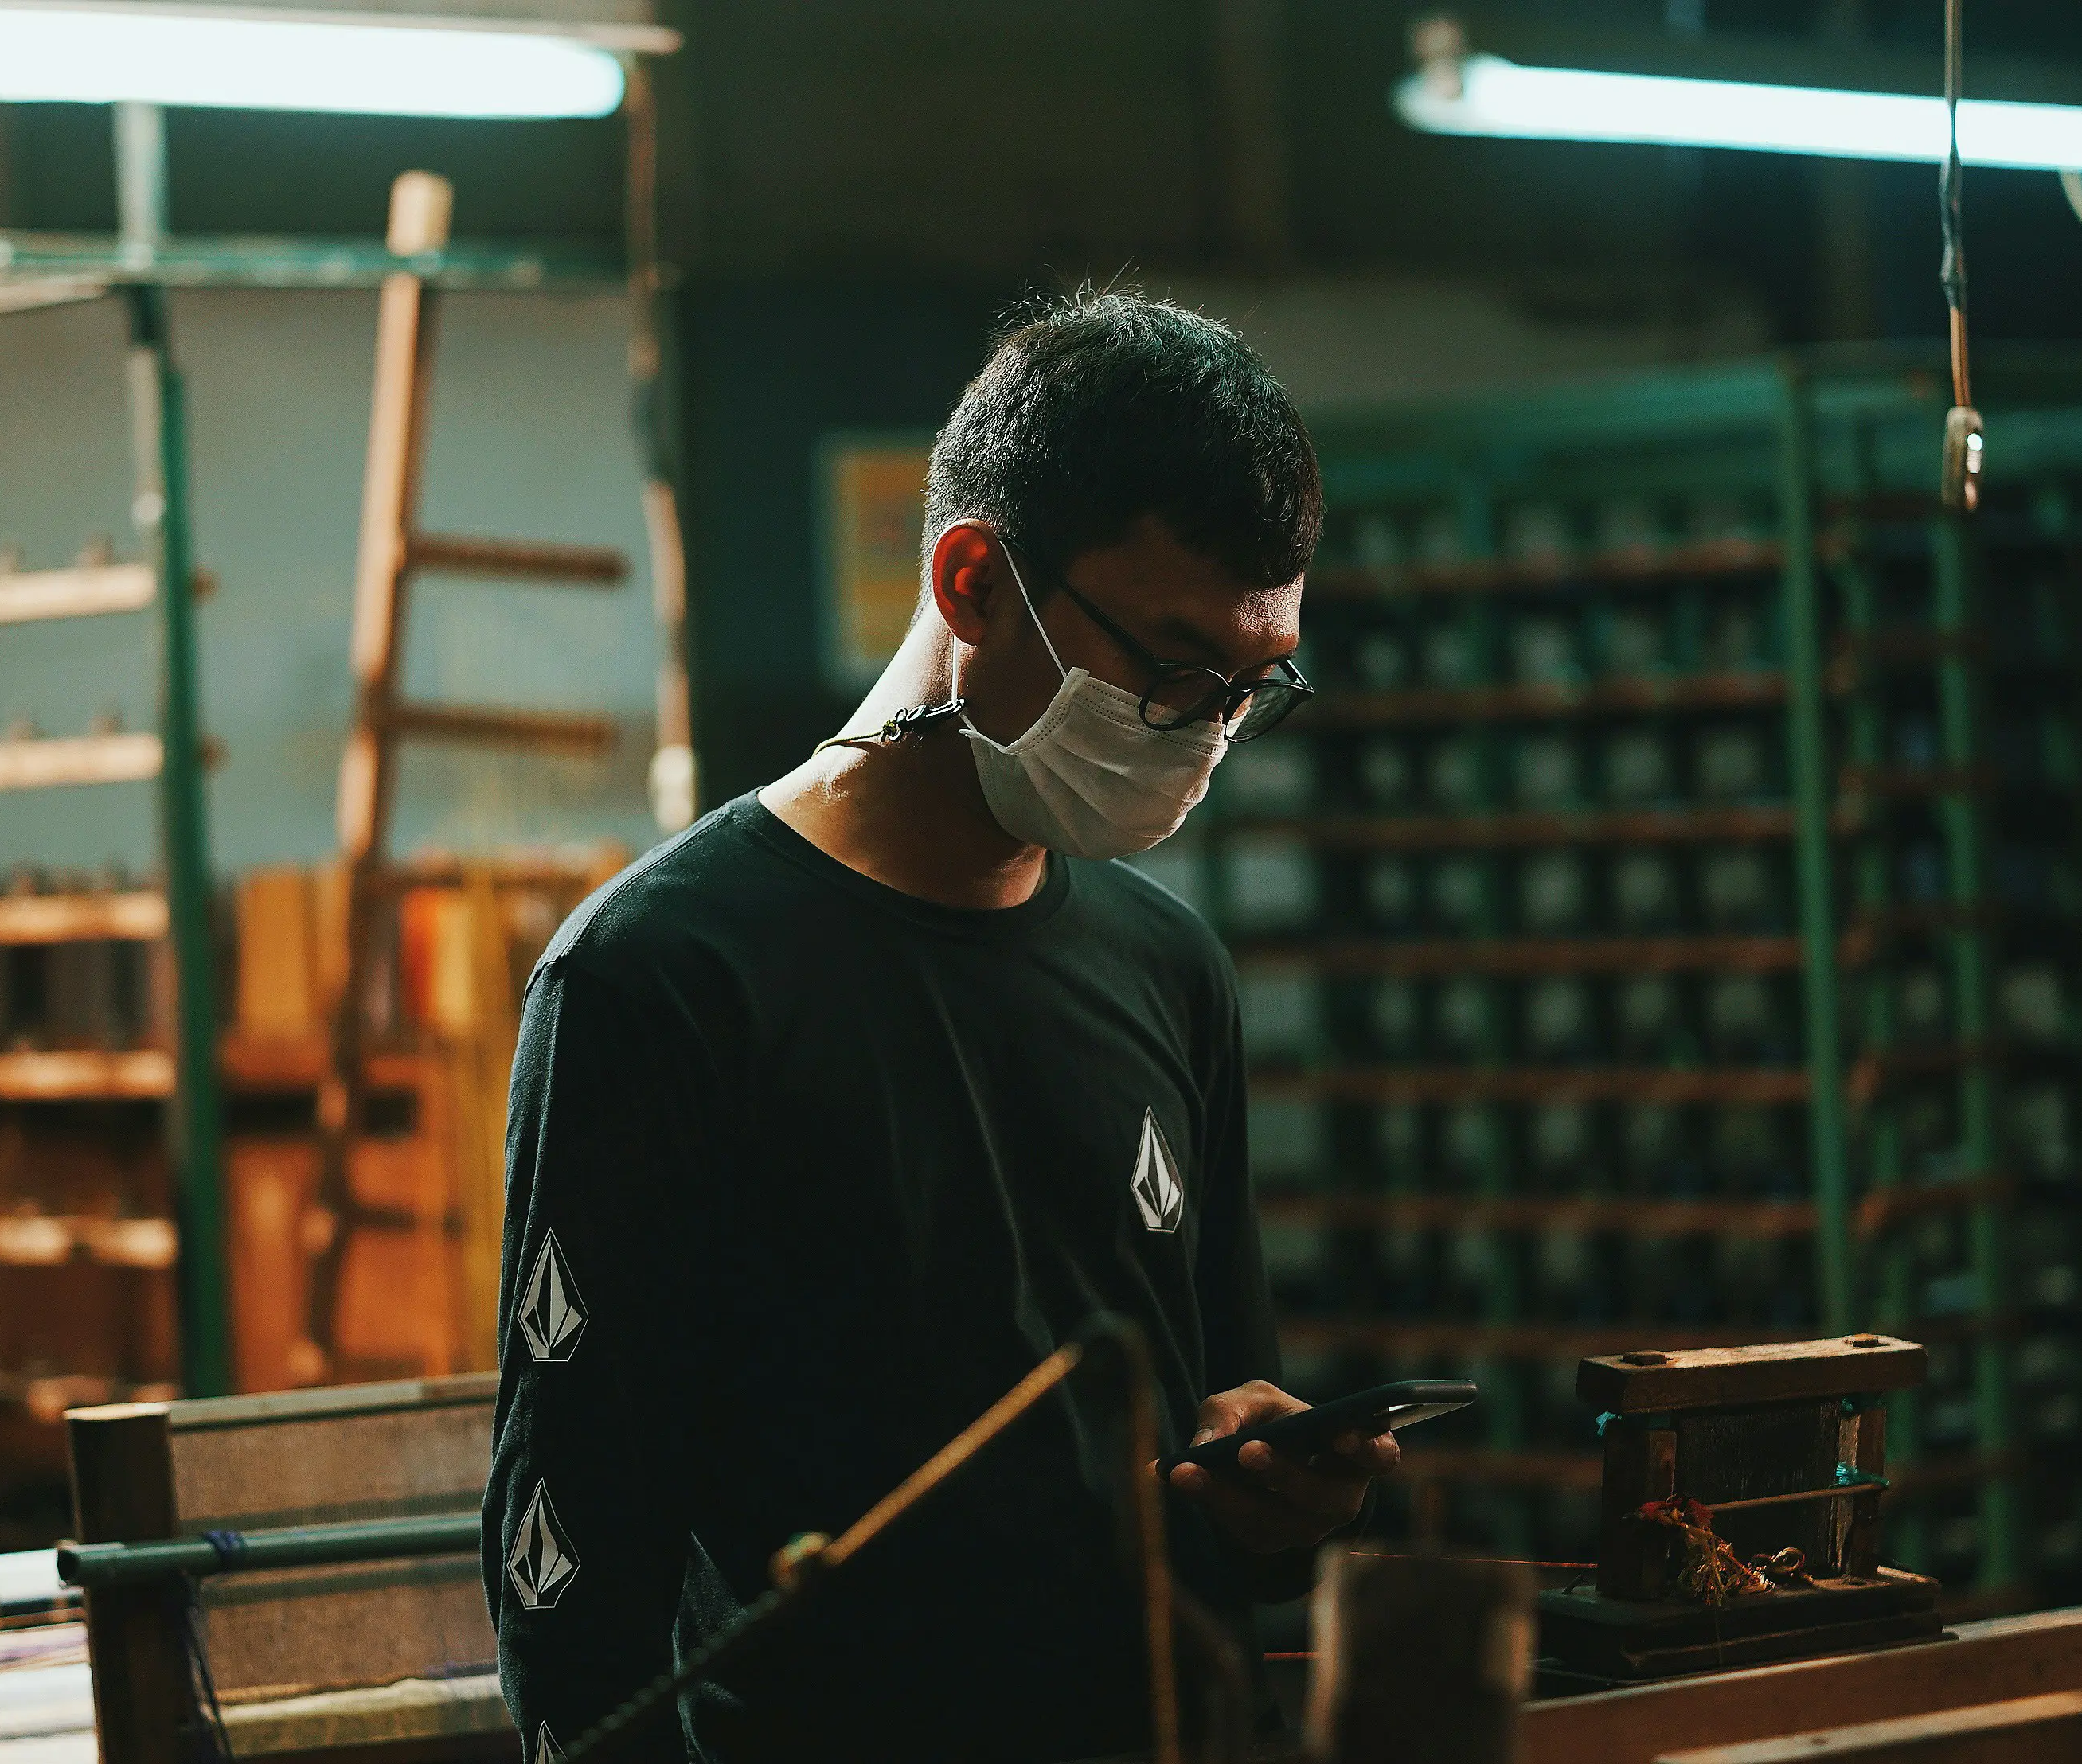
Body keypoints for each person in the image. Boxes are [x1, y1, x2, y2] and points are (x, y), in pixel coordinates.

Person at [482, 291, 1398, 1762]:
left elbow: (1216, 1442)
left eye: (1246, 691)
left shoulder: (1169, 969)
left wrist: (1285, 1495)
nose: (1202, 738)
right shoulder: (665, 980)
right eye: (1168, 673)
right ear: (972, 581)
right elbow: (573, 1582)